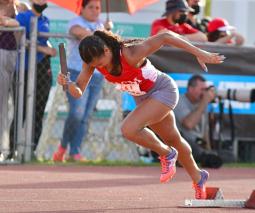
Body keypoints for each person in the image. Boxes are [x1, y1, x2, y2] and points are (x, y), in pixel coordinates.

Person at [57, 29, 224, 199]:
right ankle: (198, 176)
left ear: (107, 50)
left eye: (100, 61)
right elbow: (78, 92)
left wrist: (199, 53)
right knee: (174, 139)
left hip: (162, 90)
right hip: (144, 99)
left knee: (128, 129)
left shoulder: (130, 54)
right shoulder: (92, 61)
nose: (100, 67)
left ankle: (167, 153)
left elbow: (165, 36)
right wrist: (68, 83)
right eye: (94, 65)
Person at [52, 0, 104, 162]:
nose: (95, 11)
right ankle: (62, 147)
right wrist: (103, 34)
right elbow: (79, 32)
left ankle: (75, 152)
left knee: (86, 116)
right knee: (76, 113)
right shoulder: (76, 22)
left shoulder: (102, 25)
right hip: (75, 73)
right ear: (82, 9)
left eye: (98, 8)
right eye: (91, 7)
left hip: (96, 75)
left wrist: (106, 31)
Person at [8, 0, 56, 159]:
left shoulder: (45, 20)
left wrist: (48, 49)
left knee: (38, 110)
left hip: (43, 68)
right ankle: (13, 150)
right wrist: (42, 48)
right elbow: (20, 39)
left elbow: (45, 42)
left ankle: (32, 150)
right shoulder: (22, 17)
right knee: (20, 110)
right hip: (24, 68)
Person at [174, 75, 223, 168]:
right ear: (190, 89)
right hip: (183, 142)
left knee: (227, 155)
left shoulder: (201, 103)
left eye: (206, 89)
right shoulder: (179, 100)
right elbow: (189, 124)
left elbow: (205, 132)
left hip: (199, 144)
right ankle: (201, 157)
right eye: (202, 89)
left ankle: (204, 156)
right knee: (191, 149)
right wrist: (204, 102)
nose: (204, 93)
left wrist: (209, 150)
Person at [0, 0, 20, 160]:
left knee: (8, 106)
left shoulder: (18, 7)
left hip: (12, 57)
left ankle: (6, 149)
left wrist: (6, 21)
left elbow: (17, 23)